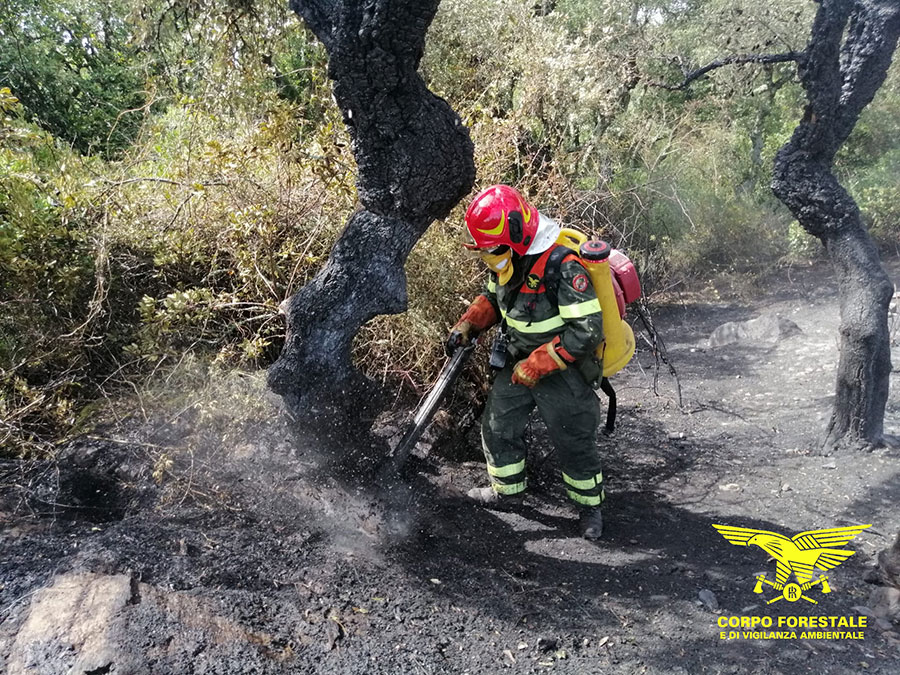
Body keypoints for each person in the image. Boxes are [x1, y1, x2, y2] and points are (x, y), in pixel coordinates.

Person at [446, 184, 606, 540]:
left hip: (562, 371)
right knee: (498, 425)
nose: (486, 257)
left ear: (515, 239)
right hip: (517, 363)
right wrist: (469, 322)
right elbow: (493, 297)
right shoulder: (507, 261)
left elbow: (587, 330)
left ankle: (589, 508)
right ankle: (507, 492)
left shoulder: (563, 266)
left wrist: (541, 363)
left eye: (490, 250)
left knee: (573, 438)